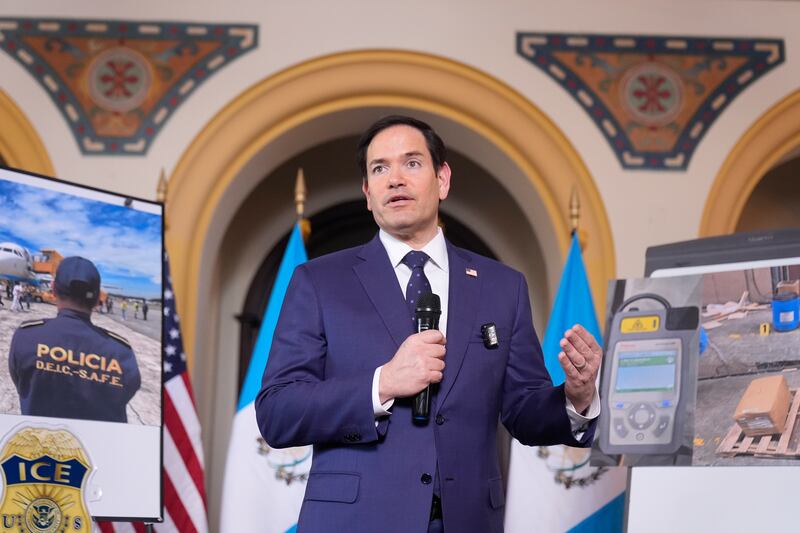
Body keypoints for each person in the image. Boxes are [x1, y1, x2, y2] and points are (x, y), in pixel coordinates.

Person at [255, 116, 603, 533]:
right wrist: (382, 383)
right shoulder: (318, 282)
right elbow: (277, 412)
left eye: (412, 163)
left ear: (443, 180)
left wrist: (576, 397)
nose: (394, 179)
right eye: (379, 169)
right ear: (367, 193)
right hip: (354, 521)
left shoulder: (502, 287)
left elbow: (523, 411)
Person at [8, 256, 141, 423]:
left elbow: (21, 384)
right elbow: (127, 392)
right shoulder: (121, 352)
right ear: (96, 300)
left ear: (54, 290)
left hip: (39, 444)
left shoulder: (26, 336)